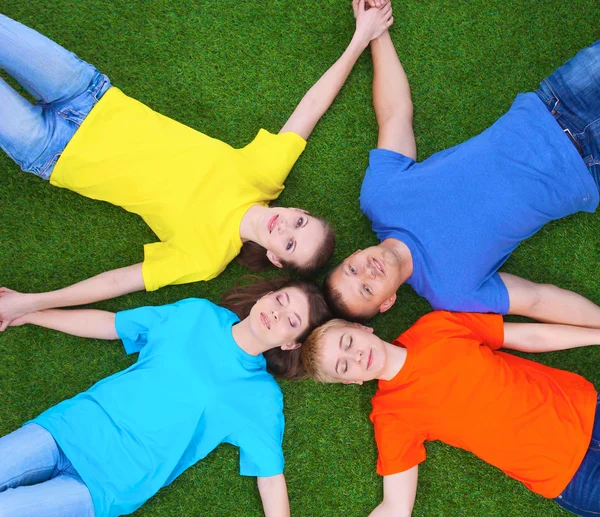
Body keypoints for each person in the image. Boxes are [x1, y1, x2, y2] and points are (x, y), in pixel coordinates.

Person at [0, 3, 394, 329]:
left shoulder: (206, 258)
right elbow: (311, 108)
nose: (286, 228)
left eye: (289, 244)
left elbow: (120, 281)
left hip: (50, 150)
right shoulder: (264, 175)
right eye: (300, 223)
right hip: (90, 93)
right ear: (297, 211)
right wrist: (361, 36)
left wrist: (31, 303)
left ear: (275, 257)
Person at [323, 11, 600, 325]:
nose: (367, 272)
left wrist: (377, 32)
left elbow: (395, 113)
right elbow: (537, 299)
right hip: (589, 171)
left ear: (355, 252)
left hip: (558, 102)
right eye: (367, 289)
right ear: (387, 302)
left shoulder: (380, 198)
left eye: (352, 269)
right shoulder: (451, 292)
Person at [0, 276, 330, 517]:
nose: (276, 314)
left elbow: (271, 479)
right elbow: (113, 325)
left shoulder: (261, 397)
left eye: (291, 321)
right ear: (267, 295)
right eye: (280, 301)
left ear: (291, 343)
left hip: (109, 484)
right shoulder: (197, 314)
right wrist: (30, 314)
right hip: (71, 427)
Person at [301, 312, 600, 517]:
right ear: (352, 381)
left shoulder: (436, 327)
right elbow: (396, 508)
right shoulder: (390, 416)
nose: (355, 356)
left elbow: (529, 336)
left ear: (361, 327)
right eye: (344, 366)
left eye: (347, 342)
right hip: (571, 475)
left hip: (585, 405)